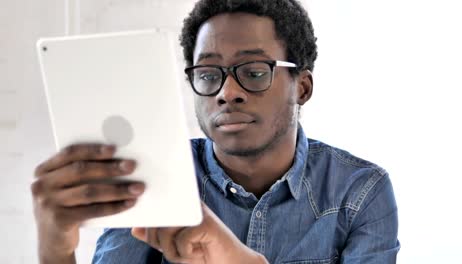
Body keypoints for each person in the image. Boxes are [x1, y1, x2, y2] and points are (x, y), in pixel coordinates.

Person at [31, 0, 400, 263]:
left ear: (301, 87)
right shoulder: (151, 176)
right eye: (208, 75)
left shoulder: (359, 190)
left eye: (254, 71)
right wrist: (55, 249)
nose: (227, 93)